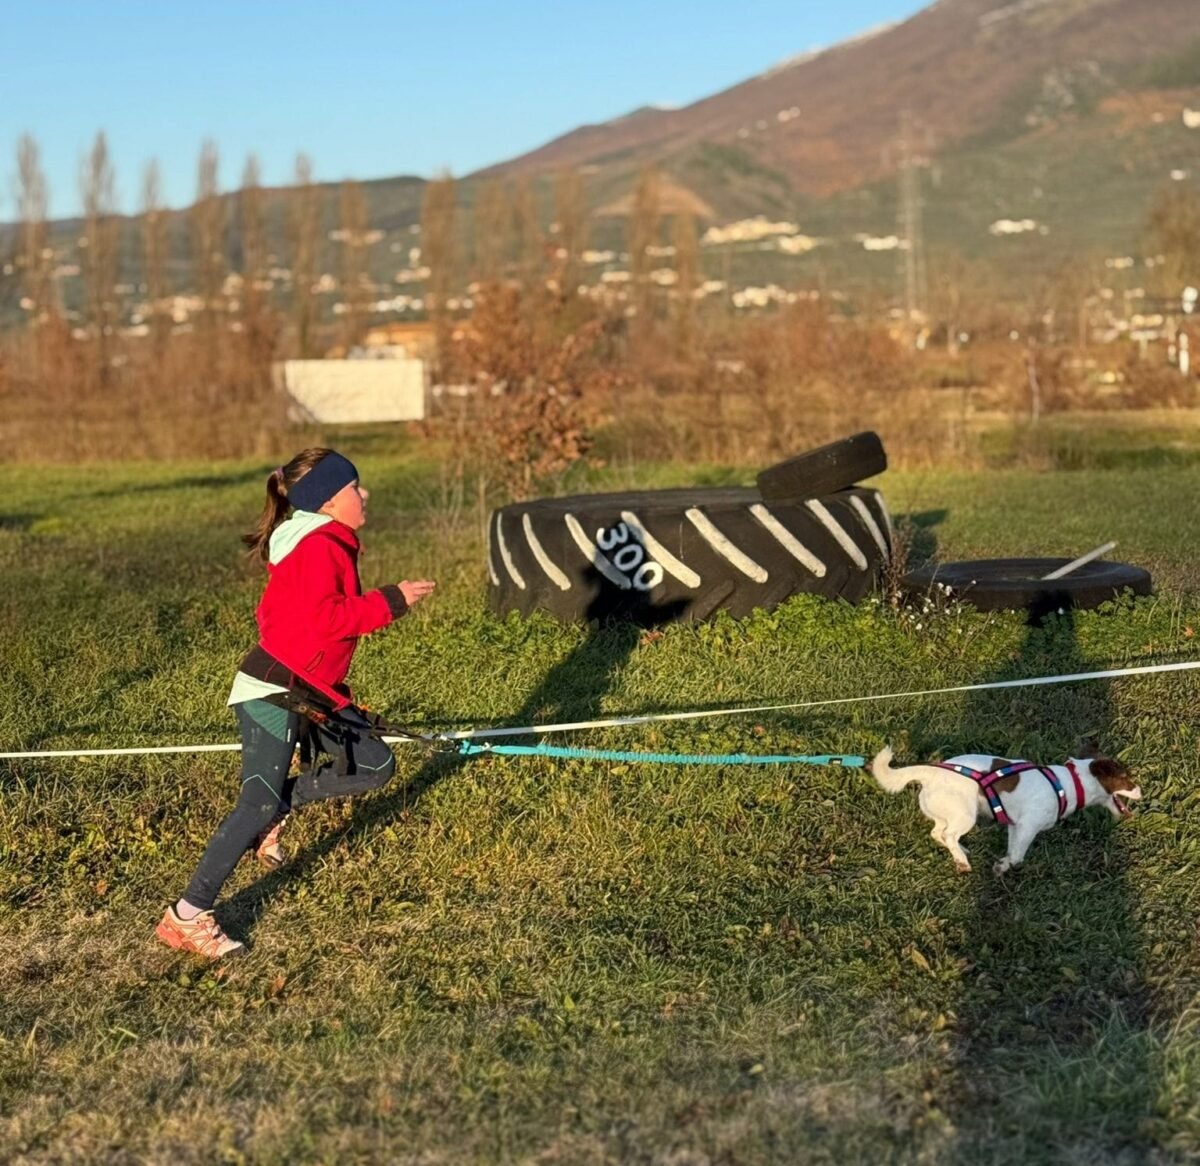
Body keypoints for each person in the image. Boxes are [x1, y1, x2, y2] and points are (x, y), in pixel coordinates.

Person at [156, 448, 435, 959]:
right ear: (328, 502)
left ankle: (277, 809)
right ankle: (186, 915)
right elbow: (325, 620)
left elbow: (279, 616)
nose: (364, 494)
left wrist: (327, 682)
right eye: (355, 488)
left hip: (311, 692)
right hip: (275, 691)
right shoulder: (319, 547)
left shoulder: (325, 540)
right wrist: (391, 600)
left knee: (374, 765)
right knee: (255, 800)